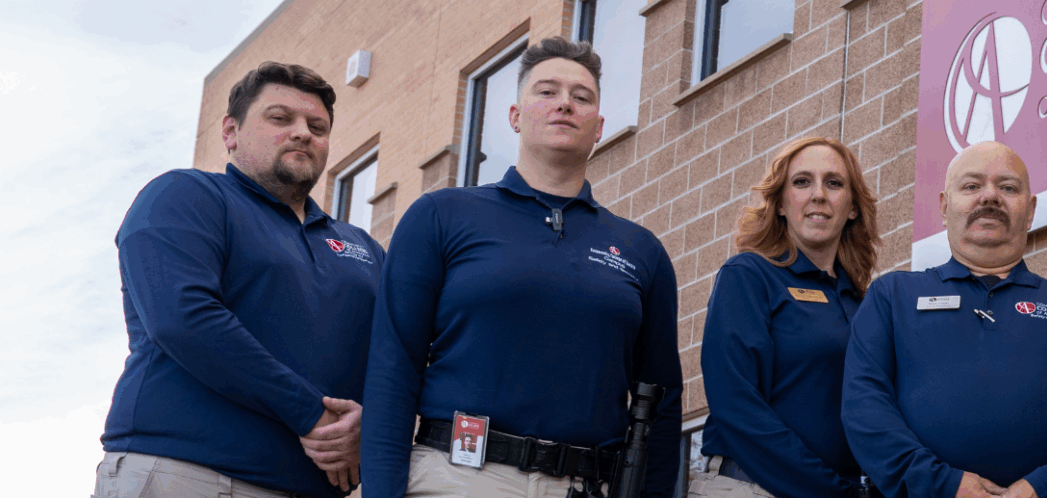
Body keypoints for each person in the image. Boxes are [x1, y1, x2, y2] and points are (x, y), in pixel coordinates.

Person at [360, 37, 683, 498]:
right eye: (547, 91)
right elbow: (393, 367)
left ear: (599, 128)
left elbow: (663, 403)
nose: (565, 104)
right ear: (515, 116)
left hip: (587, 486)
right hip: (458, 478)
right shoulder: (440, 216)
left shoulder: (640, 250)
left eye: (582, 96)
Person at [98, 62, 375, 498]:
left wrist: (372, 423)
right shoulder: (184, 196)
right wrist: (310, 414)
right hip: (188, 473)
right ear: (231, 132)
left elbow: (407, 351)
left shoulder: (362, 247)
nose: (303, 132)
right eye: (280, 118)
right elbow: (184, 318)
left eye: (317, 126)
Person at [842, 142, 1047, 498]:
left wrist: (1043, 488)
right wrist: (944, 485)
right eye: (972, 186)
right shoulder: (892, 297)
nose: (990, 197)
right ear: (944, 207)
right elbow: (864, 406)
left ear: (1030, 211)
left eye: (1008, 188)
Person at [702, 137, 883, 498]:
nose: (818, 194)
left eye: (834, 183)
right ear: (781, 203)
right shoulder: (750, 275)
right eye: (801, 182)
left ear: (851, 207)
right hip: (750, 486)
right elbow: (736, 405)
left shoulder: (865, 303)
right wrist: (831, 488)